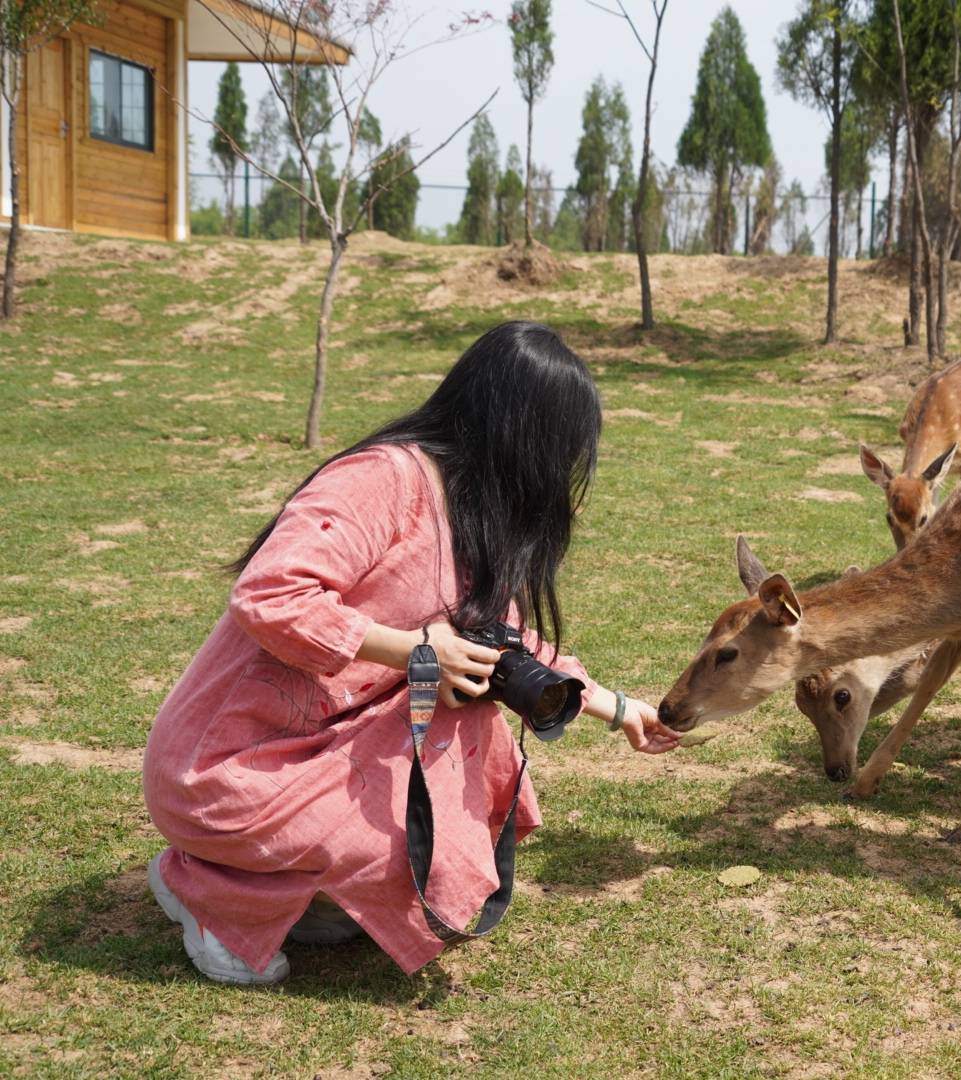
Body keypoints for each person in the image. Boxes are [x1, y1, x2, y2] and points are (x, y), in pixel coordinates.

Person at [142, 322, 680, 985]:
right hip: (227, 766)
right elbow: (270, 594)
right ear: (517, 430)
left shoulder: (468, 508)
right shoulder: (385, 479)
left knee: (432, 809)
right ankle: (211, 898)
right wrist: (418, 650)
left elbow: (504, 642)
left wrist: (618, 708)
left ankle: (246, 883)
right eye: (558, 447)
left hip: (326, 741)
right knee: (395, 850)